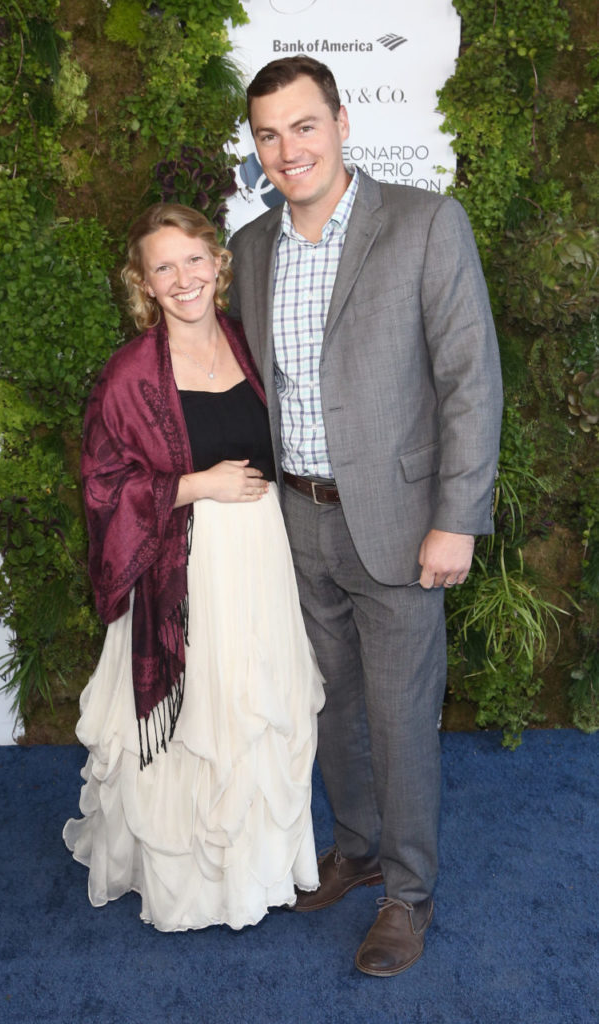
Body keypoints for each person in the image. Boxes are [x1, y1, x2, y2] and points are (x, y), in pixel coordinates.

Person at [228, 56, 503, 975]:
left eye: (303, 126)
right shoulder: (252, 246)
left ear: (342, 123)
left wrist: (456, 516)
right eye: (269, 134)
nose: (287, 149)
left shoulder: (425, 224)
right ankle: (355, 847)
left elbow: (470, 380)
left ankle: (408, 894)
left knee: (399, 713)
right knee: (332, 704)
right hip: (295, 521)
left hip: (398, 521)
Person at [63, 203, 324, 931]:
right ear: (143, 284)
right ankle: (189, 887)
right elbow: (102, 487)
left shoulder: (249, 346)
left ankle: (258, 871)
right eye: (163, 267)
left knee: (256, 709)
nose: (183, 278)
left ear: (219, 264)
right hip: (181, 569)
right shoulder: (128, 377)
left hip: (261, 560)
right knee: (195, 722)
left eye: (194, 260)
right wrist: (195, 485)